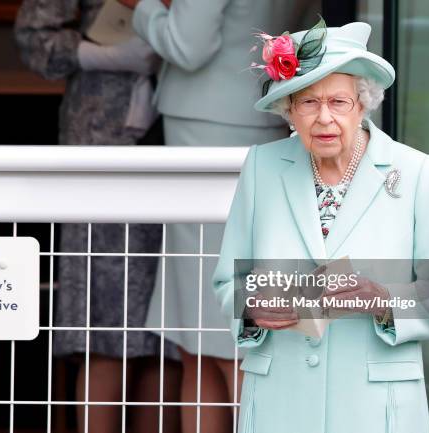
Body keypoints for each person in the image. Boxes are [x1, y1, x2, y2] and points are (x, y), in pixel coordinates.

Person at [212, 20, 429, 433]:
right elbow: (229, 283)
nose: (324, 118)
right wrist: (251, 309)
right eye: (309, 102)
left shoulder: (415, 171)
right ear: (290, 109)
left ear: (363, 103)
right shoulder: (262, 167)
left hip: (375, 408)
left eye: (338, 102)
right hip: (281, 402)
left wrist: (384, 299)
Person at [115, 0, 317, 431]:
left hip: (206, 122)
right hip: (264, 111)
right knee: (220, 317)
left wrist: (143, 6)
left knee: (214, 322)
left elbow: (188, 45)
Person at [14, 1, 181, 432]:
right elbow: (34, 39)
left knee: (168, 331)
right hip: (103, 141)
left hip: (187, 133)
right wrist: (101, 54)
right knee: (105, 321)